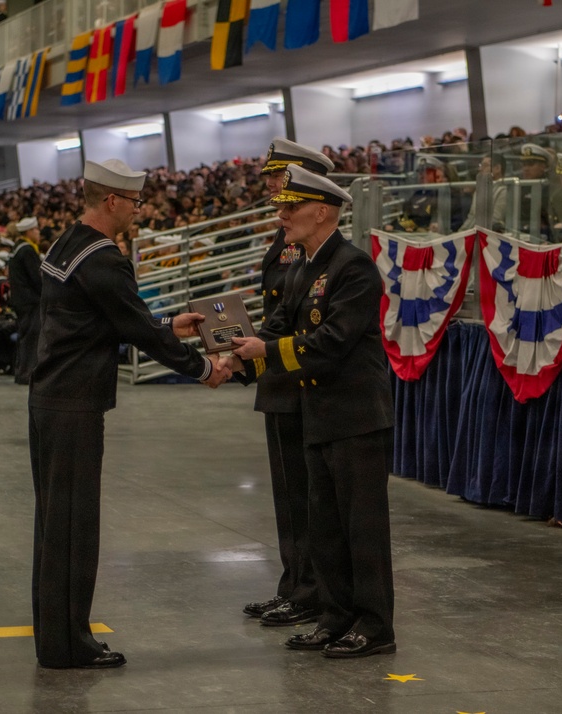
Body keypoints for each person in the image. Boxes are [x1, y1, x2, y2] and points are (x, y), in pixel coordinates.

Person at [28, 158, 230, 669]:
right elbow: (131, 325)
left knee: (53, 525)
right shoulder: (105, 257)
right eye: (136, 202)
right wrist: (204, 368)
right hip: (76, 403)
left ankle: (56, 638)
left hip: (50, 397)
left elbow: (105, 317)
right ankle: (69, 645)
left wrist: (164, 321)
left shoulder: (65, 243)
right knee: (75, 527)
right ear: (112, 200)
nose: (140, 210)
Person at [231, 166, 396, 658]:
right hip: (318, 413)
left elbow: (333, 341)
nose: (282, 216)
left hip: (355, 416)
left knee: (361, 529)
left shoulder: (353, 267)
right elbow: (280, 325)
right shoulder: (304, 265)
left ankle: (375, 626)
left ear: (321, 212)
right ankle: (336, 616)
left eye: (292, 207)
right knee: (324, 527)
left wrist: (265, 351)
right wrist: (232, 361)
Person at [239, 139, 333, 628]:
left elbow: (304, 320)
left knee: (304, 493)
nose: (274, 185)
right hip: (278, 375)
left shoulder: (311, 243)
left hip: (298, 376)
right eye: (274, 178)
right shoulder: (286, 237)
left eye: (282, 176)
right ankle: (294, 583)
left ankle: (310, 591)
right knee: (288, 495)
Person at [8, 216, 42, 385]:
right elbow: (36, 278)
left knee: (25, 336)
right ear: (28, 232)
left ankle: (21, 371)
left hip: (20, 300)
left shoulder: (16, 248)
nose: (38, 233)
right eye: (35, 230)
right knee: (31, 337)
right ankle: (27, 373)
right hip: (30, 301)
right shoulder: (27, 250)